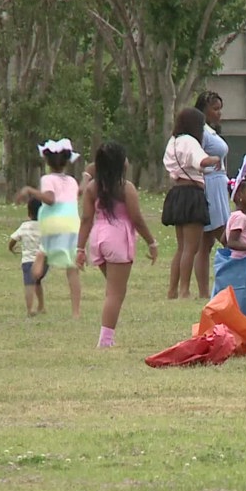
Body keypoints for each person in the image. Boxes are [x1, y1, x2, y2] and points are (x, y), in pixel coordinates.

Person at [76, 141, 159, 348]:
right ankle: (105, 340)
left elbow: (86, 219)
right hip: (117, 238)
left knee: (112, 290)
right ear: (121, 163)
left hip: (98, 237)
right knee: (115, 293)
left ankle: (107, 336)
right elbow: (136, 218)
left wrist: (80, 248)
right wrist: (151, 242)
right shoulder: (125, 187)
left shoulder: (92, 188)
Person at [14, 138, 83, 319]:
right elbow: (77, 195)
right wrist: (87, 178)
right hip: (71, 225)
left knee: (43, 253)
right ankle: (76, 312)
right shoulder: (72, 181)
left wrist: (30, 190)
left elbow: (50, 199)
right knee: (72, 269)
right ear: (67, 161)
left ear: (47, 162)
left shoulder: (47, 179)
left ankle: (41, 257)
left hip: (52, 223)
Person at [162, 107, 220, 299]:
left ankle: (172, 290)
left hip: (177, 192)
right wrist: (215, 159)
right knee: (191, 247)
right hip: (192, 194)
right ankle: (184, 290)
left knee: (181, 246)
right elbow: (201, 161)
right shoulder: (190, 141)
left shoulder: (174, 141)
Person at [194, 90, 230, 298]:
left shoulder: (211, 131)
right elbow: (195, 158)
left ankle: (205, 291)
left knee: (205, 241)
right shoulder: (201, 132)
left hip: (219, 183)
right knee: (223, 235)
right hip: (209, 184)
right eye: (215, 109)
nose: (219, 114)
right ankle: (206, 290)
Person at [9, 198, 45, 317]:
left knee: (29, 284)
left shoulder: (24, 226)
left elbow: (13, 239)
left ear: (28, 213)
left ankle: (30, 309)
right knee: (38, 282)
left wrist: (11, 248)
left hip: (28, 261)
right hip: (43, 262)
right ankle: (41, 305)